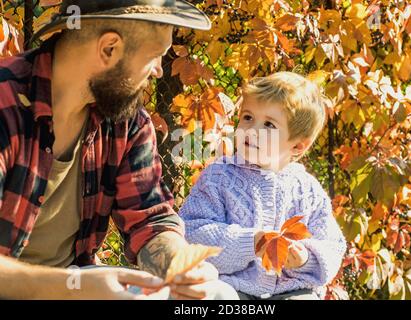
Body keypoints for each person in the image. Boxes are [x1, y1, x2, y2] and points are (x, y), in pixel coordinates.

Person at [0, 0, 236, 300]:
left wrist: (179, 267)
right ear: (109, 49)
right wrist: (72, 288)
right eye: (155, 56)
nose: (159, 72)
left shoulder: (127, 122)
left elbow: (149, 219)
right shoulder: (5, 102)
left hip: (77, 284)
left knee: (217, 295)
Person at [179, 72, 347, 300]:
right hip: (231, 285)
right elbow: (190, 232)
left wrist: (306, 259)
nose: (251, 129)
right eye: (247, 117)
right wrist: (251, 242)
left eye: (268, 124)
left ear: (297, 146)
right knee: (213, 295)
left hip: (288, 289)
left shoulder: (306, 190)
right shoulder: (219, 176)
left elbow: (332, 245)